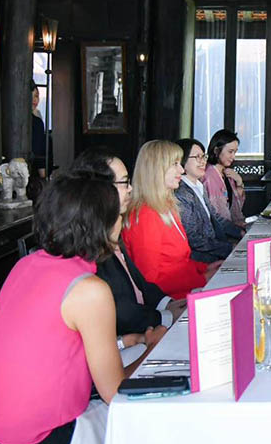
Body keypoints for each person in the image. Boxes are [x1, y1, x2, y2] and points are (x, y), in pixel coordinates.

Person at [0, 176, 165, 444]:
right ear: (101, 226)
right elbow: (115, 392)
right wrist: (153, 348)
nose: (123, 224)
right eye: (119, 216)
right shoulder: (89, 290)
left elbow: (52, 348)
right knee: (146, 432)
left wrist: (127, 341)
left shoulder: (26, 264)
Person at [69, 147, 186, 336]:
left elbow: (139, 282)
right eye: (124, 182)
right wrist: (165, 317)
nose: (130, 189)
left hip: (144, 321)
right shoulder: (87, 237)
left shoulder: (112, 223)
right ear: (99, 189)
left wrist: (168, 304)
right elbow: (120, 312)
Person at [122, 140, 218, 299]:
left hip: (186, 290)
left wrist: (205, 268)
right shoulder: (145, 215)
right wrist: (203, 279)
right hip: (171, 301)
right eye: (175, 164)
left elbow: (178, 263)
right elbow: (150, 280)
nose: (181, 169)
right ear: (156, 169)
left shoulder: (166, 206)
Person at [175, 138, 243, 262]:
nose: (203, 162)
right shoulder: (182, 193)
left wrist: (240, 233)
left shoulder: (198, 186)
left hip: (214, 249)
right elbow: (193, 239)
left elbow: (216, 217)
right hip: (201, 259)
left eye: (203, 156)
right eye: (197, 157)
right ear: (182, 160)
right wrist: (229, 248)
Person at [203, 129, 246, 228]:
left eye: (235, 152)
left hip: (231, 227)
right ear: (216, 150)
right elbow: (217, 215)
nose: (233, 157)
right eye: (230, 152)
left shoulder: (227, 173)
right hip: (219, 231)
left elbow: (237, 206)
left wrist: (239, 182)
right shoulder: (209, 176)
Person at [31, 82, 47, 179]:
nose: (34, 100)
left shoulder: (37, 118)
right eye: (31, 95)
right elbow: (39, 151)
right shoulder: (37, 121)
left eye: (36, 96)